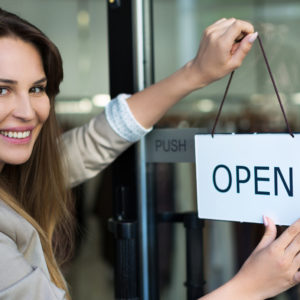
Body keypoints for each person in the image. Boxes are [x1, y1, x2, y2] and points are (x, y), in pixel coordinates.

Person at [0, 7, 299, 300]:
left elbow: (92, 142)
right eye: (2, 90)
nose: (28, 112)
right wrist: (250, 288)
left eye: (37, 89)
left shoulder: (15, 175)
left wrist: (196, 72)